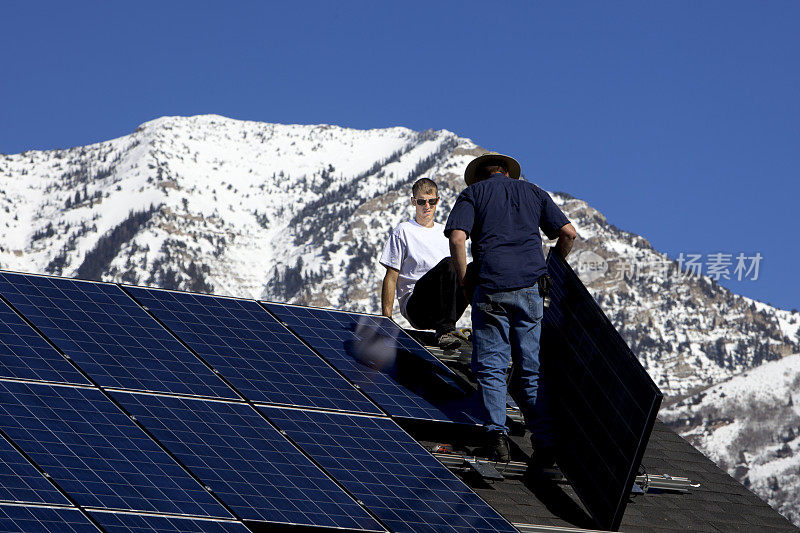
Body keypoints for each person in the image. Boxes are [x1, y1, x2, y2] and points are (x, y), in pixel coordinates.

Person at [445, 152, 577, 463]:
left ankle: (496, 436)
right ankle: (544, 444)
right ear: (508, 173)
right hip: (530, 289)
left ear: (480, 176)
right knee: (530, 370)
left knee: (492, 367)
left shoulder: (473, 193)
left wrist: (465, 280)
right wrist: (551, 268)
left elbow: (457, 238)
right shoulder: (534, 192)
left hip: (490, 288)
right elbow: (568, 233)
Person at [380, 178, 468, 349]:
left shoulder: (446, 234)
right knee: (450, 264)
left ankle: (483, 328)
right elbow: (391, 276)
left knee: (472, 269)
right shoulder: (403, 231)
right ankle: (445, 331)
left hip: (446, 307)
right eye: (421, 202)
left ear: (438, 201)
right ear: (414, 202)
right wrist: (386, 319)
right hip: (418, 307)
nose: (427, 206)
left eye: (431, 201)